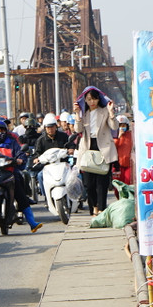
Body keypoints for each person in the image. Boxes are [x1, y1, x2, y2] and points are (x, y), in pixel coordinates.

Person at [0, 118, 43, 233]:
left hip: (10, 173)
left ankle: (32, 223)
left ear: (6, 131)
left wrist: (20, 160)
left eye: (1, 130)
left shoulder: (12, 142)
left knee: (21, 194)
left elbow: (20, 154)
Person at [72, 86, 118, 216]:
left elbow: (114, 126)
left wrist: (111, 112)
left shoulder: (104, 111)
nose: (92, 102)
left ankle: (102, 209)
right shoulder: (84, 113)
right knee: (88, 183)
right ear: (85, 101)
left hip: (103, 147)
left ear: (98, 99)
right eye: (89, 99)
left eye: (94, 99)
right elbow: (78, 130)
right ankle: (94, 207)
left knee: (102, 182)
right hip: (87, 148)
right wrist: (77, 114)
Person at [31, 113, 70, 192]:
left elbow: (70, 145)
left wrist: (71, 149)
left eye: (52, 127)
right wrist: (36, 158)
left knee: (74, 175)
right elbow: (37, 153)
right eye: (48, 127)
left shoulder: (64, 136)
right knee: (40, 176)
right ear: (45, 128)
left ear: (56, 126)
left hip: (63, 164)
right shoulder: (41, 140)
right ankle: (46, 196)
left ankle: (75, 196)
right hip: (48, 167)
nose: (50, 129)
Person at [114, 115, 134, 186]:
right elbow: (112, 148)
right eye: (119, 125)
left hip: (128, 164)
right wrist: (118, 137)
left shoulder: (131, 135)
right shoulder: (113, 135)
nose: (122, 127)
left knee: (128, 182)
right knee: (118, 185)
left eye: (123, 125)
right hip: (117, 165)